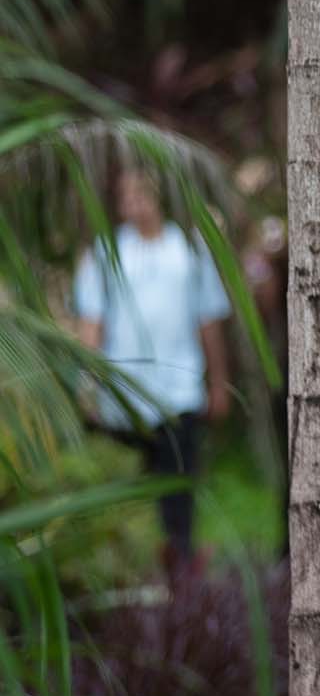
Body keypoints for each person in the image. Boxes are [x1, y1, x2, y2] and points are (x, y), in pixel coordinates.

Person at [73, 166, 232, 572]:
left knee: (178, 496)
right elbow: (92, 323)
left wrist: (218, 382)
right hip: (122, 398)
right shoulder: (106, 252)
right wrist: (86, 384)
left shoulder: (188, 252)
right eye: (124, 195)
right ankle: (125, 573)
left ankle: (179, 579)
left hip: (178, 393)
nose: (132, 203)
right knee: (125, 494)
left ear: (158, 196)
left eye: (139, 194)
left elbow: (208, 320)